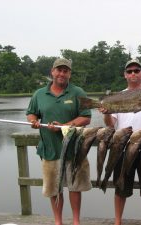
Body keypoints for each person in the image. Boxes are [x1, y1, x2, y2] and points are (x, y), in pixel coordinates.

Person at [26, 58, 92, 225]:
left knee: (75, 187)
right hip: (49, 149)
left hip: (74, 149)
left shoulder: (78, 92)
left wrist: (64, 126)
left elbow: (86, 117)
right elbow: (31, 113)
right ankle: (58, 222)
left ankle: (76, 221)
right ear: (52, 72)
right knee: (54, 189)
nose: (62, 73)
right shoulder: (39, 94)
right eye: (59, 70)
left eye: (65, 71)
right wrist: (33, 121)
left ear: (69, 73)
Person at [100, 59, 141, 225]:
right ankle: (117, 221)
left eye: (136, 70)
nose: (133, 73)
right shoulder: (118, 96)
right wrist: (106, 113)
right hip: (122, 147)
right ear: (125, 75)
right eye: (130, 71)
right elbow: (111, 124)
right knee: (120, 188)